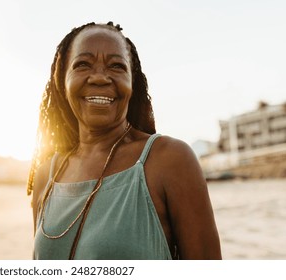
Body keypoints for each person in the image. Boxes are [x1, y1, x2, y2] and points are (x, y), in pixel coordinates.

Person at [27, 21, 221, 260]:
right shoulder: (46, 176)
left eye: (116, 66)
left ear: (133, 81)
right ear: (61, 81)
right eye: (83, 64)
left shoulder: (169, 160)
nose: (99, 77)